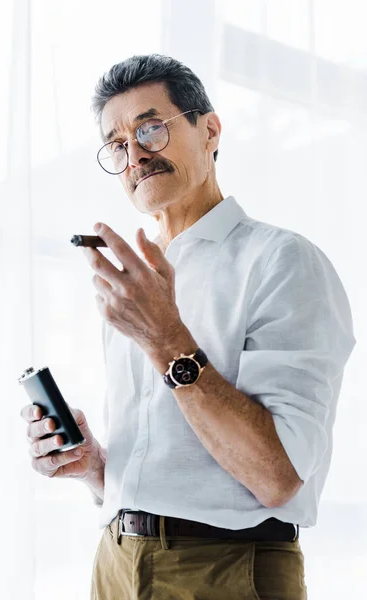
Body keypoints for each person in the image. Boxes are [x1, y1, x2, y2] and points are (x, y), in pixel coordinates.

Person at [20, 54, 356, 600]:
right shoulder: (140, 279)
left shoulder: (283, 262)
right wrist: (91, 465)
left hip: (227, 570)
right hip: (115, 562)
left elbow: (278, 476)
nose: (136, 154)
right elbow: (171, 472)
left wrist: (164, 337)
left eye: (151, 128)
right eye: (118, 144)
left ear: (210, 129)